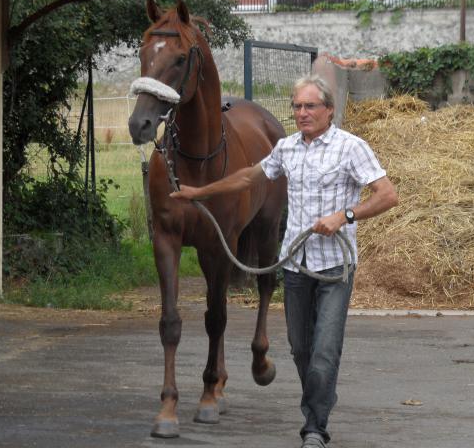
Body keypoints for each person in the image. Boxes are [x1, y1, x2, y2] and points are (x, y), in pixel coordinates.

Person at [170, 74, 398, 447]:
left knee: (324, 351)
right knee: (301, 348)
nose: (302, 113)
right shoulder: (287, 148)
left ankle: (314, 427)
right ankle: (320, 400)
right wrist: (200, 192)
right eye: (297, 106)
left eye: (310, 106)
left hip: (335, 268)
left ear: (329, 110)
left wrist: (345, 216)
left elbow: (388, 195)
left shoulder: (351, 147)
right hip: (294, 264)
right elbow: (247, 178)